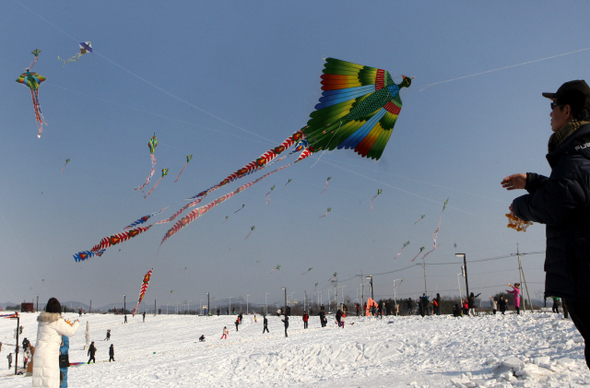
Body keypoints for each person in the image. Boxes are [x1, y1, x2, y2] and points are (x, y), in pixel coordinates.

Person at [502, 79, 590, 368]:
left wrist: (519, 208)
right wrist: (533, 181)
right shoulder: (578, 153)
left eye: (553, 107)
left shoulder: (577, 154)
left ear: (567, 111)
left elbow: (558, 202)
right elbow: (571, 189)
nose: (549, 113)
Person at [32, 297, 80, 388]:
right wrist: (76, 323)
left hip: (38, 355)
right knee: (50, 383)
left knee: (39, 383)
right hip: (49, 356)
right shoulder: (57, 321)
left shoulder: (42, 321)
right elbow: (70, 331)